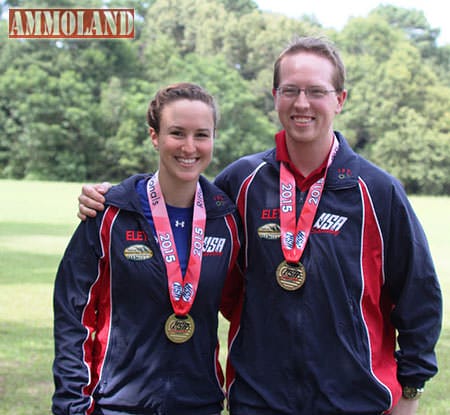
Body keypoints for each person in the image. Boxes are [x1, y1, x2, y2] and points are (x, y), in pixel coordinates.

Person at [77, 37, 442, 415]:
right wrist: (116, 197)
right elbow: (180, 212)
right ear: (275, 96)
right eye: (290, 90)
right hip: (258, 400)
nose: (302, 103)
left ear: (340, 99)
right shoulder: (242, 182)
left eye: (316, 91)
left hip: (357, 402)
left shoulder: (377, 191)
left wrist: (410, 392)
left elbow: (419, 293)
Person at [52, 82, 242, 415]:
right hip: (116, 404)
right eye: (176, 133)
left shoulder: (226, 220)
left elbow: (244, 306)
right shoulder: (110, 213)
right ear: (154, 136)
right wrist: (71, 402)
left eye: (201, 134)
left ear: (214, 138)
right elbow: (73, 312)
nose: (189, 147)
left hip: (200, 405)